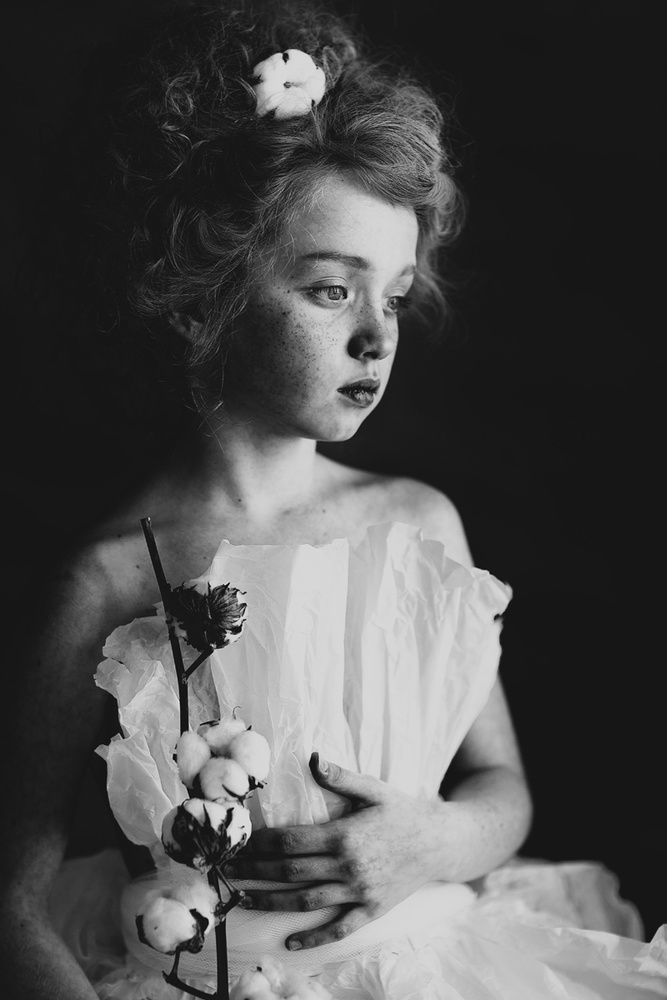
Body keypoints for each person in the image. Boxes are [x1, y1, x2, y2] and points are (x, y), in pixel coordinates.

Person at [0, 1, 664, 998]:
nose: (377, 336)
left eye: (391, 294)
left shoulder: (415, 522)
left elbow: (503, 789)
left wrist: (428, 841)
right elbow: (11, 904)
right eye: (330, 289)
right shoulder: (100, 580)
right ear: (201, 297)